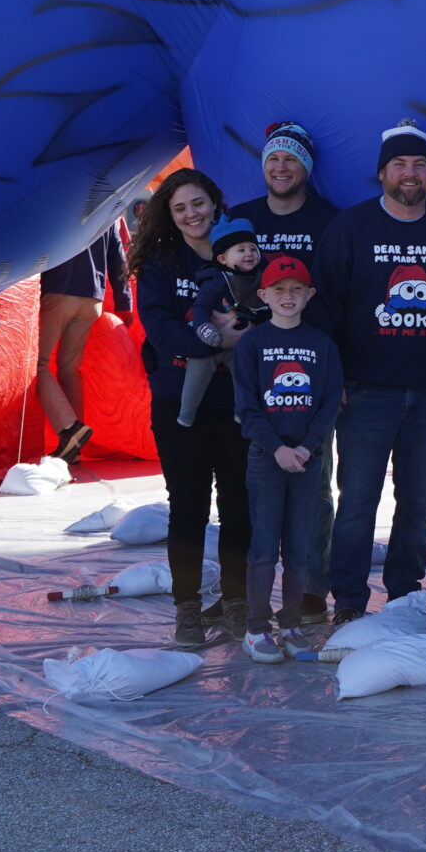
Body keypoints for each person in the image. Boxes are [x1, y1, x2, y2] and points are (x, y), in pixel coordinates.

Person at [313, 121, 426, 622]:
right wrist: (334, 380)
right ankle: (347, 601)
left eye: (420, 166)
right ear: (382, 173)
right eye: (400, 165)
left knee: (418, 503)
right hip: (365, 392)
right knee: (358, 500)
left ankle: (406, 595)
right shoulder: (351, 227)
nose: (410, 174)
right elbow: (324, 309)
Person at [131, 167, 253, 649]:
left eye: (198, 203)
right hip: (179, 401)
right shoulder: (161, 265)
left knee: (239, 506)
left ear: (215, 202)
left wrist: (242, 341)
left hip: (237, 403)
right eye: (180, 208)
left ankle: (236, 601)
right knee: (188, 507)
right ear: (169, 215)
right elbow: (159, 329)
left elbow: (269, 315)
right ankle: (187, 609)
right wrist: (219, 340)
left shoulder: (243, 255)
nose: (191, 214)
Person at [230, 255, 342, 664]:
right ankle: (256, 629)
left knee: (300, 548)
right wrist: (277, 447)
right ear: (264, 295)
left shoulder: (321, 344)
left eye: (297, 289)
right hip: (266, 457)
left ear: (309, 294)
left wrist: (308, 446)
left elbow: (329, 402)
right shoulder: (252, 344)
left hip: (307, 460)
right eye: (279, 290)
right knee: (263, 547)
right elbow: (247, 405)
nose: (288, 296)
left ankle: (291, 623)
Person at [35, 224, 125, 464]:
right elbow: (118, 256)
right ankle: (74, 446)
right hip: (93, 297)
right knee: (69, 370)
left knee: (37, 365)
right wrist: (125, 303)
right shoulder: (111, 207)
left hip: (59, 288)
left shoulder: (57, 195)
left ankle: (69, 429)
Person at [179, 217, 267, 427]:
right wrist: (204, 328)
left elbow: (267, 311)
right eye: (241, 250)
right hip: (211, 339)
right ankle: (186, 412)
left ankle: (241, 410)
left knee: (245, 375)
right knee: (197, 371)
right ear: (223, 258)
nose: (249, 254)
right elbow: (200, 307)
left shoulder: (262, 279)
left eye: (253, 249)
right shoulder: (216, 281)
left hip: (242, 342)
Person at [228, 122, 339, 270]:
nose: (280, 168)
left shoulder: (329, 221)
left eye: (290, 159)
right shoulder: (239, 218)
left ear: (306, 168)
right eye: (273, 158)